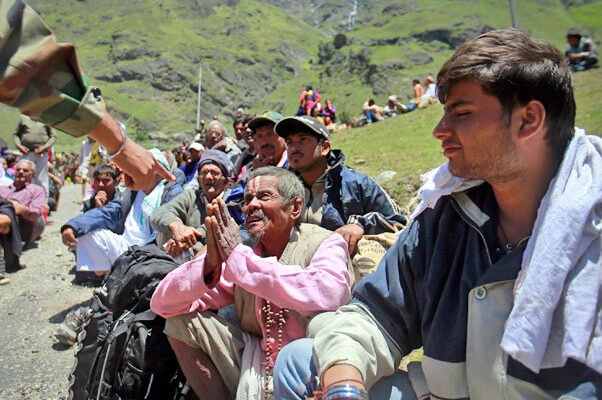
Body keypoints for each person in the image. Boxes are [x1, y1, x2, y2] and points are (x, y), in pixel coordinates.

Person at [273, 28, 602, 399]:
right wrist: (344, 386)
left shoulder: (590, 233)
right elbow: (375, 313)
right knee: (301, 362)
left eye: (462, 113)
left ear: (528, 120)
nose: (439, 130)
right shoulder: (448, 214)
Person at [0, 0, 173, 192]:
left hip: (42, 152)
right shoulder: (24, 121)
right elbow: (8, 46)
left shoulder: (46, 127)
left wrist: (117, 145)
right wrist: (120, 146)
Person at [150, 167, 353, 400]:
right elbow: (162, 304)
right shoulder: (245, 254)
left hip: (310, 368)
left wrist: (240, 261)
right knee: (179, 322)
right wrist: (209, 265)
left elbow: (330, 293)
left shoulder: (325, 242)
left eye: (264, 196)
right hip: (256, 365)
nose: (251, 206)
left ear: (295, 207)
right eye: (247, 200)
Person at [274, 115, 407, 255]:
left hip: (344, 262)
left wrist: (360, 225)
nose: (294, 148)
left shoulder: (355, 183)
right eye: (290, 142)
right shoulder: (283, 188)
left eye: (303, 139)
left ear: (325, 148)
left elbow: (398, 221)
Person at [61, 149, 181, 276]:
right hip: (126, 246)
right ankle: (112, 275)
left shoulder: (171, 192)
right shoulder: (132, 192)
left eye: (144, 168)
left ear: (158, 172)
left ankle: (128, 274)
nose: (138, 172)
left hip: (153, 252)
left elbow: (167, 220)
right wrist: (73, 226)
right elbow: (107, 212)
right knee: (86, 231)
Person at [151, 149, 237, 257]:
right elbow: (158, 214)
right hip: (184, 253)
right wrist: (176, 225)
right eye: (204, 172)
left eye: (214, 173)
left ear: (226, 180)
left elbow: (216, 227)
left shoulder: (233, 198)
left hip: (214, 256)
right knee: (167, 227)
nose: (208, 177)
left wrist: (185, 241)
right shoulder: (192, 196)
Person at [0, 160, 46, 248]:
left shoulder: (36, 190)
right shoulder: (1, 189)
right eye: (18, 169)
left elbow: (37, 212)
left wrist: (21, 209)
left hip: (23, 227)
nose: (20, 172)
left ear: (33, 174)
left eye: (25, 170)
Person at [13, 115, 57, 199]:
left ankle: (42, 202)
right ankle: (21, 199)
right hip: (26, 152)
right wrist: (19, 146)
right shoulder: (23, 118)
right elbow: (15, 134)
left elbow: (53, 136)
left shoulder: (47, 119)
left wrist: (45, 147)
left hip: (41, 154)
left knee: (41, 179)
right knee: (23, 176)